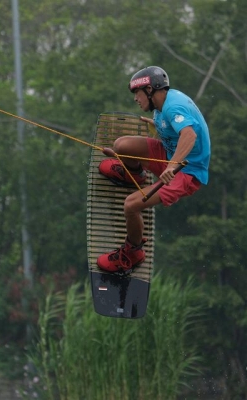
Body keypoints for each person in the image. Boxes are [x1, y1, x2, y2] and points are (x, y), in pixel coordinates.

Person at [96, 66, 210, 273]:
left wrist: (173, 165)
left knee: (131, 205)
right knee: (121, 146)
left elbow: (190, 135)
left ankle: (133, 253)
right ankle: (135, 175)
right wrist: (159, 128)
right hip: (169, 156)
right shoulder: (161, 104)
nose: (135, 99)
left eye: (137, 94)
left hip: (186, 173)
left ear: (149, 89)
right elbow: (177, 130)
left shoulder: (173, 107)